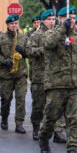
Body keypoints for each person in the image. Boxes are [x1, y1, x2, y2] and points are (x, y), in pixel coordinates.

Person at [38, 6, 77, 153]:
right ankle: (43, 139)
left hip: (74, 85)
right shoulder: (52, 34)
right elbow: (48, 44)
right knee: (51, 118)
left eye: (73, 17)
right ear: (61, 18)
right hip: (56, 85)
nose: (72, 20)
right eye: (68, 18)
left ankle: (72, 150)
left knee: (73, 119)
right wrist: (61, 30)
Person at [0, 14, 27, 134]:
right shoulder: (1, 38)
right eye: (12, 24)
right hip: (6, 75)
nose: (14, 25)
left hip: (21, 73)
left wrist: (25, 51)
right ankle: (4, 118)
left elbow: (31, 52)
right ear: (7, 25)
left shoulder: (23, 37)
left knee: (21, 99)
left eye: (16, 23)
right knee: (6, 99)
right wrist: (4, 61)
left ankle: (19, 123)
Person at [27, 9, 56, 140]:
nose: (52, 22)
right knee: (38, 105)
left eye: (53, 19)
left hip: (54, 76)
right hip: (39, 76)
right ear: (44, 21)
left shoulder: (56, 34)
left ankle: (52, 130)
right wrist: (44, 49)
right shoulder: (36, 35)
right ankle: (36, 127)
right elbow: (30, 51)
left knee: (53, 106)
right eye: (49, 19)